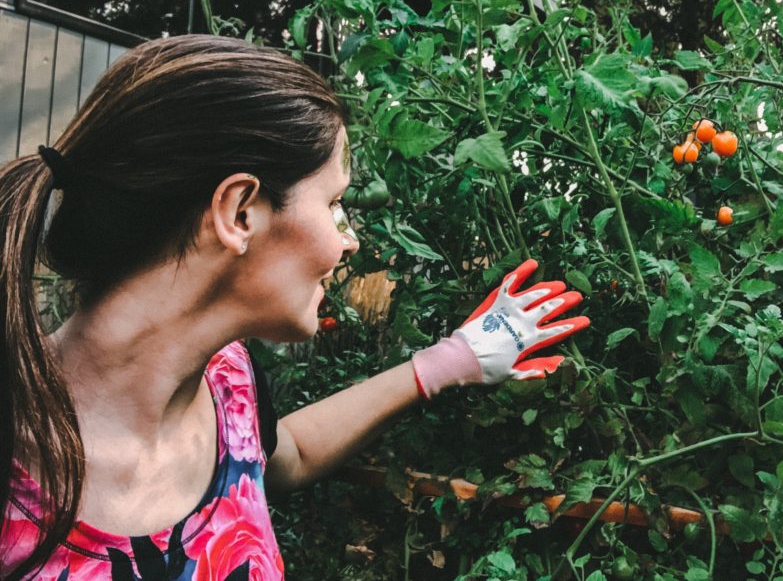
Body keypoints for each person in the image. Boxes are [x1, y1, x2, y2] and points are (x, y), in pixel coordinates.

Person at [0, 35, 590, 580]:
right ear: (239, 214)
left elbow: (287, 456)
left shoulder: (228, 384)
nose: (348, 239)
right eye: (334, 204)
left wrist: (450, 361)